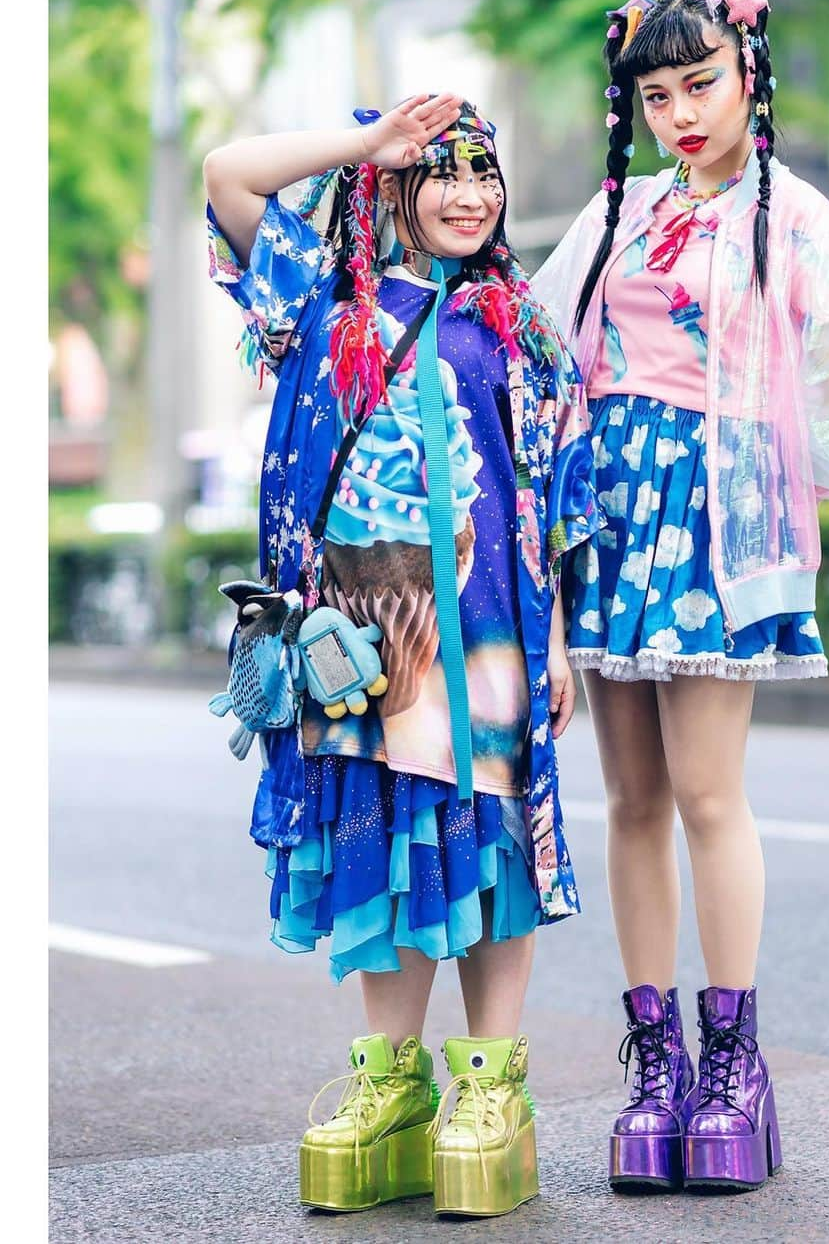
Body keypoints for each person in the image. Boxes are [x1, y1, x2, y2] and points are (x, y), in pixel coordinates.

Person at [532, 0, 829, 1193]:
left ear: (751, 75)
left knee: (706, 794)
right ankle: (653, 1066)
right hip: (618, 514)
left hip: (713, 515)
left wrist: (813, 470)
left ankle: (733, 1063)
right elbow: (544, 349)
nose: (682, 114)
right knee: (630, 798)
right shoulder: (615, 217)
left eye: (702, 84)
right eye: (658, 97)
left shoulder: (789, 214)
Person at [203, 94, 600, 1218]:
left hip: (488, 623)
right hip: (359, 629)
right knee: (385, 842)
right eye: (442, 172)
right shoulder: (316, 303)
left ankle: (493, 1086)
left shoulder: (522, 328)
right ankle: (391, 1083)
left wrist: (558, 639)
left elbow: (556, 499)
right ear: (391, 189)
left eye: (484, 171)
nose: (470, 192)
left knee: (489, 847)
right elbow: (229, 173)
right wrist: (365, 143)